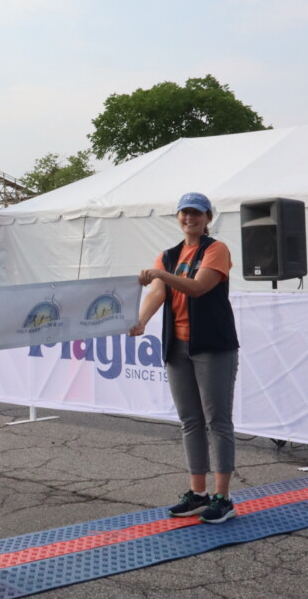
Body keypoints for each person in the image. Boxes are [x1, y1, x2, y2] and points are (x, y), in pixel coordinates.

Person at [129, 192, 240, 524]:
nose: (189, 218)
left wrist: (161, 275)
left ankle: (223, 498)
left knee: (217, 421)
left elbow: (198, 287)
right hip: (177, 345)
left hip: (212, 345)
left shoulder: (215, 249)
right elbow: (157, 293)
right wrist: (141, 321)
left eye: (196, 213)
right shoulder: (168, 255)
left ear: (207, 218)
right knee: (190, 421)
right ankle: (198, 493)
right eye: (184, 213)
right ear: (177, 217)